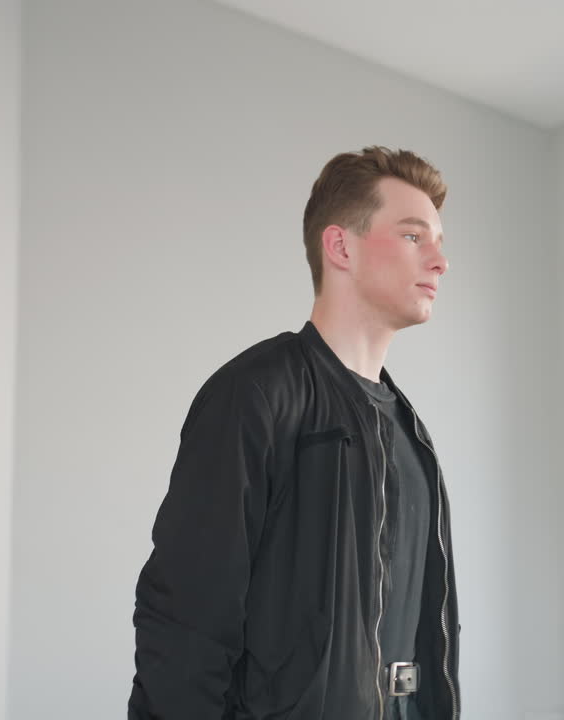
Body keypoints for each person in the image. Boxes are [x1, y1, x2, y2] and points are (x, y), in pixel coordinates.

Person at [128, 147, 461, 720]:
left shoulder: (414, 437)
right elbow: (185, 623)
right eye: (413, 236)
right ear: (340, 247)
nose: (439, 261)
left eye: (438, 240)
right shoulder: (256, 395)